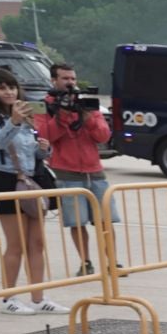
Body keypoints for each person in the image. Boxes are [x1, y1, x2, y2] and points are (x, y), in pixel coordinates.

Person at [0, 70, 62, 315]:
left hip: (30, 180)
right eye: (2, 88)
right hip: (3, 180)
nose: (9, 92)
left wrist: (43, 150)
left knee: (37, 242)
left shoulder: (23, 113)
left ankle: (38, 297)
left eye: (12, 87)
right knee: (16, 244)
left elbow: (28, 150)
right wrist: (13, 122)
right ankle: (9, 297)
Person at [34, 61, 110, 278]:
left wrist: (87, 118)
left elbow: (103, 136)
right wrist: (63, 114)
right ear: (53, 80)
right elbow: (45, 136)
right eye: (65, 78)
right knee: (77, 222)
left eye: (73, 78)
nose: (70, 83)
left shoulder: (86, 103)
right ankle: (85, 262)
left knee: (105, 219)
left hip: (94, 169)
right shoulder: (44, 106)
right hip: (66, 171)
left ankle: (112, 261)